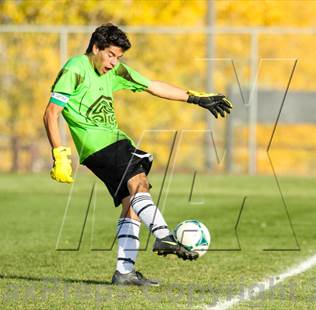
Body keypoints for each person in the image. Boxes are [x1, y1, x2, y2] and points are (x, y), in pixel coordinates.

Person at [43, 23, 232, 286]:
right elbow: (51, 112)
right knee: (139, 184)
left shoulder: (115, 71)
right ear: (95, 47)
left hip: (111, 144)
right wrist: (60, 154)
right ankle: (164, 235)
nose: (113, 62)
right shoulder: (75, 68)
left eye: (118, 57)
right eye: (110, 54)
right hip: (101, 145)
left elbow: (152, 86)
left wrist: (194, 98)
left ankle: (124, 271)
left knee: (131, 203)